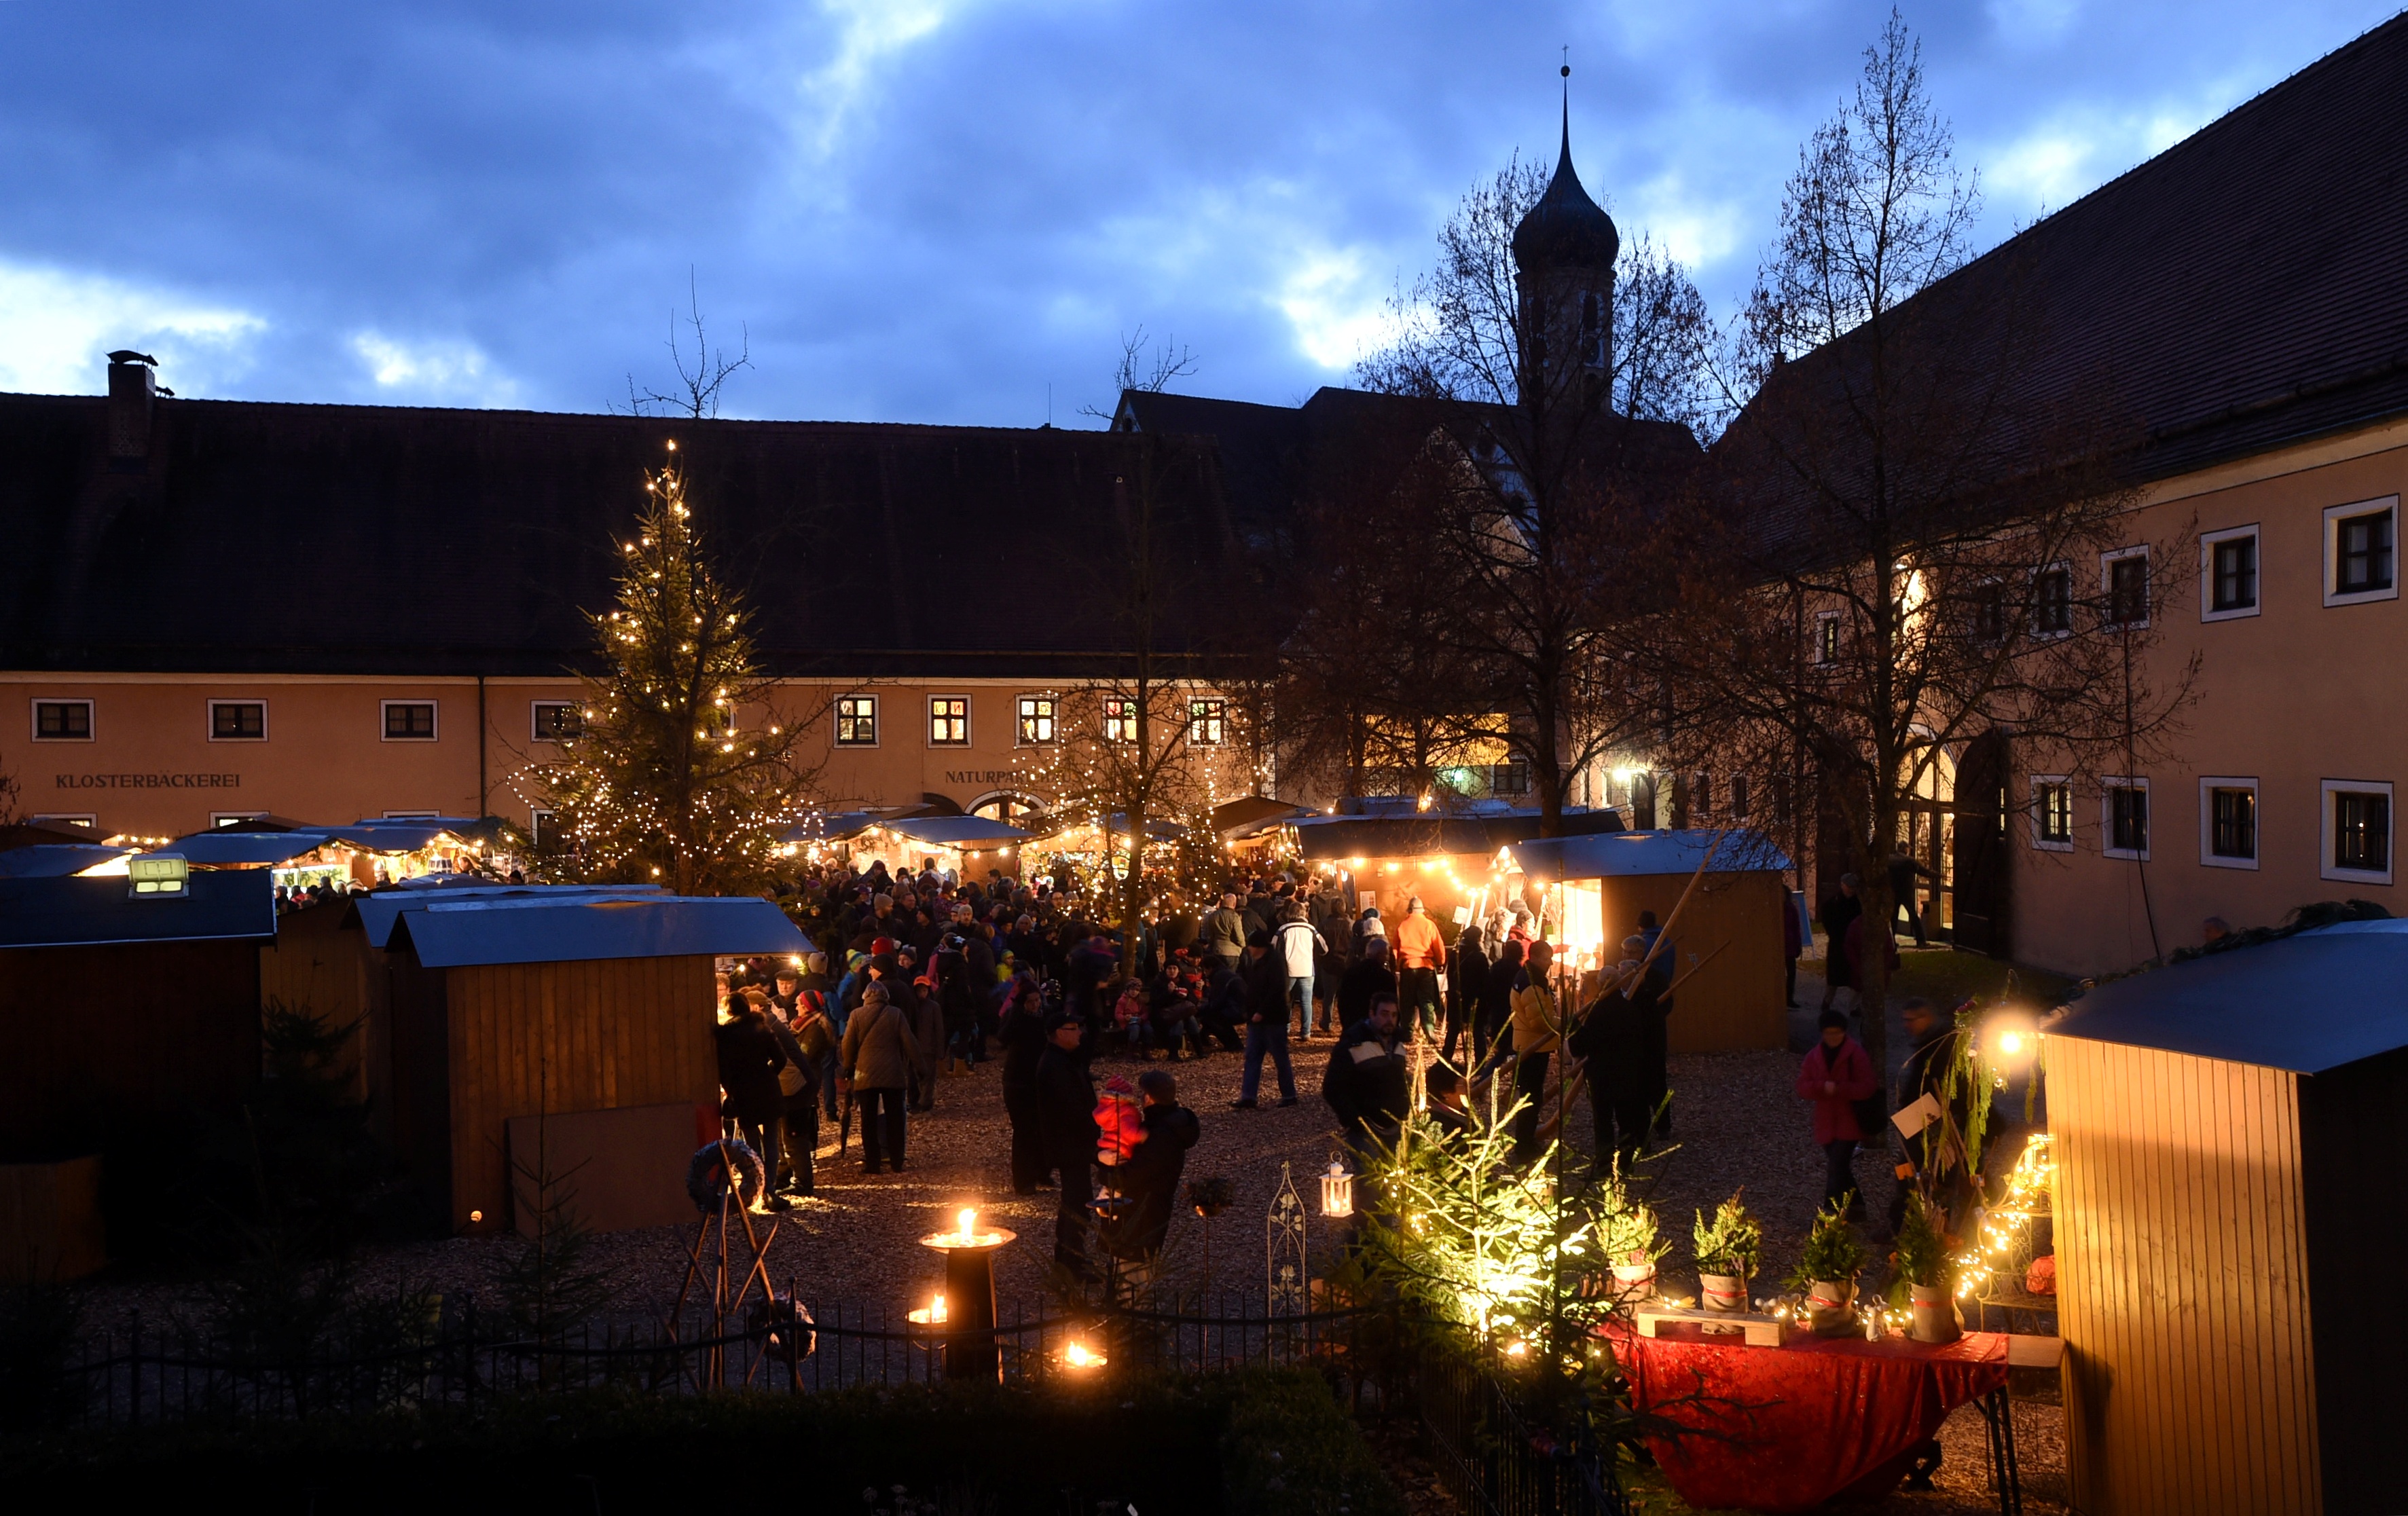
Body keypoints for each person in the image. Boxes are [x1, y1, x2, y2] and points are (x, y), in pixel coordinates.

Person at [1569, 936, 1664, 1175]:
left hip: (1602, 1076)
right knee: (1626, 1121)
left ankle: (1603, 1165)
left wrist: (1574, 1029)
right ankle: (1626, 1163)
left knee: (1603, 1123)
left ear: (1601, 985)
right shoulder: (1630, 1009)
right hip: (1627, 1074)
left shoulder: (1596, 1012)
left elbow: (1581, 1046)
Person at [1103, 1069, 1200, 1276]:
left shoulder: (1159, 1136)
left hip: (1139, 1218)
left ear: (1148, 1098)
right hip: (1147, 1212)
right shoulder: (1167, 1126)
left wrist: (1103, 1171)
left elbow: (1131, 1176)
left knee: (1132, 1280)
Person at [1034, 1012, 1100, 1278]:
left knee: (1075, 1200)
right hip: (1071, 1146)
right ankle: (1072, 1260)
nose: (1079, 1033)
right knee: (1078, 1202)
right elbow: (1071, 1109)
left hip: (1072, 1144)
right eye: (1074, 1028)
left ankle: (1067, 1255)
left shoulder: (1063, 1060)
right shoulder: (1055, 1065)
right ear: (1060, 1033)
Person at [1796, 1008, 1878, 1217]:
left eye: (1837, 1033)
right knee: (1840, 1167)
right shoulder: (1814, 1057)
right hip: (1826, 1122)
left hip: (1849, 1121)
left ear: (1844, 1033)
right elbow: (1802, 1087)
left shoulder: (1856, 1055)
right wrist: (1823, 1087)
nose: (1833, 1038)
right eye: (1829, 1033)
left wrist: (1841, 1089)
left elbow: (1868, 1087)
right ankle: (1857, 1208)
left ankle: (1830, 1212)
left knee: (1836, 1166)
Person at [839, 982, 926, 1175]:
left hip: (865, 1074)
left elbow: (847, 1045)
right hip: (893, 1073)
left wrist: (848, 1067)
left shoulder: (856, 1015)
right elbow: (910, 1042)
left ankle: (873, 1164)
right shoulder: (895, 1014)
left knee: (868, 1121)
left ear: (865, 996)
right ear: (886, 996)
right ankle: (896, 1162)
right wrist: (921, 1068)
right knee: (895, 1119)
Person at [714, 995, 791, 1210]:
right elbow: (781, 1059)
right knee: (772, 1141)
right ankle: (771, 1190)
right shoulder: (762, 1029)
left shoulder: (725, 1036)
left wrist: (732, 1090)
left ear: (729, 1011)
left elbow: (723, 1071)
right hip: (767, 1089)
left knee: (752, 1145)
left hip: (743, 1092)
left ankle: (759, 1187)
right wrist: (769, 1074)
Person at [1321, 992, 1410, 1160]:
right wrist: (1355, 1121)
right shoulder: (1354, 1044)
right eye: (1384, 1014)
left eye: (1394, 1015)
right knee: (1370, 1183)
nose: (1390, 1020)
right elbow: (1332, 1087)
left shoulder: (1397, 1044)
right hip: (1366, 1131)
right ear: (1372, 1013)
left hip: (1396, 1127)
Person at [998, 971, 1052, 1193]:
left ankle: (1042, 1172)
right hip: (1019, 1082)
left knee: (1042, 1129)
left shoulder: (1045, 1016)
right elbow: (1003, 1038)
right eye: (1031, 1002)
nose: (1036, 1005)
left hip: (1039, 1080)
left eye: (1038, 1000)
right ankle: (1024, 1181)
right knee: (1024, 1132)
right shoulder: (1016, 1017)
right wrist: (1017, 1014)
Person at [1508, 940, 1561, 1165]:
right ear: (1536, 958)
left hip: (1530, 1043)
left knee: (1532, 1096)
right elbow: (1538, 1020)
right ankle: (1524, 1145)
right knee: (1531, 1098)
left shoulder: (1528, 977)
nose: (1550, 962)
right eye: (1547, 958)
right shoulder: (1532, 983)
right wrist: (1563, 1023)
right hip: (1532, 1046)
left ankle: (1527, 1140)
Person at [1231, 931, 1298, 1109]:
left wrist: (1260, 1011)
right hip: (1261, 1017)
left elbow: (1276, 990)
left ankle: (1288, 1094)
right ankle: (1249, 1097)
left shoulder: (1273, 963)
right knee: (1255, 1056)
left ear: (1257, 947)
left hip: (1272, 1018)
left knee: (1277, 1056)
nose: (1249, 949)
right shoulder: (1266, 961)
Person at [1391, 897, 1448, 1047]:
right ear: (1422, 910)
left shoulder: (1402, 926)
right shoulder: (1429, 925)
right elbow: (1439, 946)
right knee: (1426, 1000)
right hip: (1426, 967)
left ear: (1409, 910)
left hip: (1408, 967)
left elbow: (1395, 949)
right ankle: (1429, 1028)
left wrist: (1396, 966)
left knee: (1407, 1001)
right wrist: (1441, 962)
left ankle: (1407, 1032)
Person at [1273, 903, 1326, 1039]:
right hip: (1307, 968)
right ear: (1304, 913)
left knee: (1286, 1001)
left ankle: (1285, 1029)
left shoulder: (1283, 929)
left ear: (1289, 913)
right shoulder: (1311, 929)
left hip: (1288, 970)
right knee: (1306, 1001)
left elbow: (1273, 947)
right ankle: (1306, 1032)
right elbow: (1324, 948)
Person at [1818, 874, 1862, 1014]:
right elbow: (1827, 920)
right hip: (1838, 944)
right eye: (1849, 887)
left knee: (1855, 977)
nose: (1851, 890)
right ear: (1843, 886)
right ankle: (1827, 1001)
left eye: (1853, 888)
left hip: (1853, 945)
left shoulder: (1859, 904)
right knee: (1834, 978)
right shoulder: (1833, 904)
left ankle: (1854, 1006)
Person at [1447, 921, 1489, 1066]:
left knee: (1453, 1031)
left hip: (1457, 996)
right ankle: (1481, 1063)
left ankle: (1445, 1059)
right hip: (1475, 999)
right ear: (1478, 939)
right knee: (1478, 1031)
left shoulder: (1455, 954)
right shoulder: (1479, 957)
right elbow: (1485, 980)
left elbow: (1450, 975)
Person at [1337, 936, 1398, 1030]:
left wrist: (1346, 1024)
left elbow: (1342, 1002)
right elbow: (1392, 1003)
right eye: (1386, 954)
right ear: (1380, 955)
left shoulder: (1350, 974)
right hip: (1378, 1028)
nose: (1388, 958)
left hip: (1352, 1025)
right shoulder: (1386, 977)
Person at [1888, 848, 1939, 948]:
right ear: (1906, 850)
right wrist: (1937, 875)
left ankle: (1891, 941)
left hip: (1894, 892)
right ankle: (1921, 941)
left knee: (1893, 917)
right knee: (1914, 917)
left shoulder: (1890, 860)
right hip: (1906, 892)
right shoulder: (1908, 861)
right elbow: (1923, 871)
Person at [1424, 1065, 1474, 1140]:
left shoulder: (1461, 1109)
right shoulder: (1439, 1126)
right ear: (1446, 1093)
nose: (1469, 1089)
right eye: (1464, 1085)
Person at [1204, 893, 1249, 974]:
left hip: (1217, 949)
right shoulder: (1234, 917)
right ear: (1234, 904)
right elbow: (1239, 936)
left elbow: (1209, 934)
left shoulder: (1213, 916)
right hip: (1232, 952)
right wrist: (1243, 945)